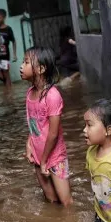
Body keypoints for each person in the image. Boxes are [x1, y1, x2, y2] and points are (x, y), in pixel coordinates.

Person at [19, 46, 73, 206]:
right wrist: (29, 144)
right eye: (23, 62)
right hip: (38, 155)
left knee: (66, 201)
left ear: (41, 69)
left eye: (26, 62)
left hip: (54, 157)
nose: (21, 66)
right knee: (51, 199)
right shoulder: (30, 93)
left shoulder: (52, 96)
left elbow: (53, 134)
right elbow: (34, 123)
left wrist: (44, 161)